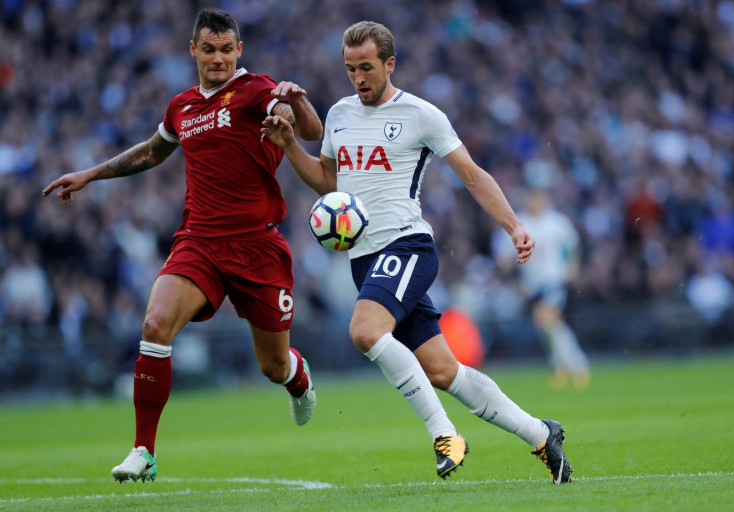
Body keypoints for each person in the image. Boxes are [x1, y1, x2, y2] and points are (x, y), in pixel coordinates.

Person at [261, 21, 572, 483]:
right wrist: (288, 144)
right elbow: (329, 180)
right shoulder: (340, 114)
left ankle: (444, 433)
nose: (359, 78)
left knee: (365, 332)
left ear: (389, 64)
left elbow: (471, 174)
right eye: (350, 69)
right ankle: (541, 435)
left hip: (407, 244)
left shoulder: (421, 114)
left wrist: (514, 226)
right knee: (444, 372)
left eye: (366, 67)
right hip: (365, 259)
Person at [42, 8, 323, 483]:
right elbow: (153, 151)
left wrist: (294, 106)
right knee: (154, 325)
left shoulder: (256, 89)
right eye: (209, 50)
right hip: (200, 243)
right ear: (193, 50)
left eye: (226, 50)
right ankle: (144, 452)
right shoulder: (182, 106)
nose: (218, 58)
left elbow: (308, 131)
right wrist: (92, 173)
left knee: (272, 365)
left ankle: (297, 377)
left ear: (239, 51)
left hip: (258, 247)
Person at [494, 180, 591, 391]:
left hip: (554, 279)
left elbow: (572, 246)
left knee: (545, 319)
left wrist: (572, 267)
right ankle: (563, 367)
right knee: (550, 326)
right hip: (532, 285)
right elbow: (504, 256)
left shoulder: (557, 222)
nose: (534, 201)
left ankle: (577, 366)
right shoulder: (518, 222)